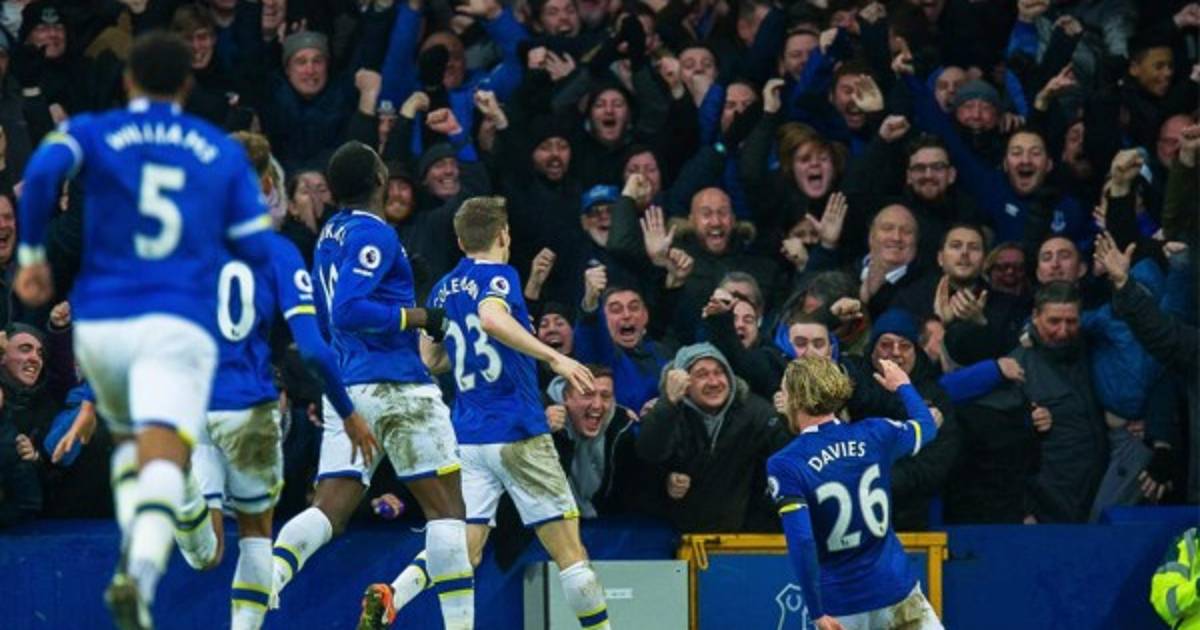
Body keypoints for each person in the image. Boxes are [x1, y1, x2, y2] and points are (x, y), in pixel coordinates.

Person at [15, 31, 275, 630]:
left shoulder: (98, 131)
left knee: (157, 471)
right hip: (181, 328)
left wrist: (31, 255)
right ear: (185, 86)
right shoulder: (214, 151)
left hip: (109, 323)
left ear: (129, 81)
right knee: (182, 493)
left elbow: (46, 166)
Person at [362, 196, 610, 630]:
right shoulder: (499, 275)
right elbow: (492, 318)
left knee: (465, 549)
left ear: (460, 241)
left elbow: (431, 358)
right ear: (503, 235)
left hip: (470, 438)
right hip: (517, 430)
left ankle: (393, 594)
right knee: (572, 554)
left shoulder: (442, 289)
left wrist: (475, 340)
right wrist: (555, 357)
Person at [167, 132, 366, 630]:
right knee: (257, 535)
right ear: (265, 185)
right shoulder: (278, 253)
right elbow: (314, 349)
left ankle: (184, 496)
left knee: (205, 554)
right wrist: (348, 412)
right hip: (247, 407)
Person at [269, 141, 471, 629]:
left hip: (349, 388)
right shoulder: (372, 234)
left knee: (330, 509)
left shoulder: (330, 235)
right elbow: (348, 310)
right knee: (449, 514)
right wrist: (418, 316)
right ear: (379, 178)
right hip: (398, 386)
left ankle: (267, 578)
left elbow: (327, 315)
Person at [768, 356, 943, 630]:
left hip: (842, 606)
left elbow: (802, 541)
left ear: (794, 398)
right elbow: (927, 427)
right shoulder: (876, 432)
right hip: (897, 589)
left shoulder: (786, 463)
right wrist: (903, 386)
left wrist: (816, 610)